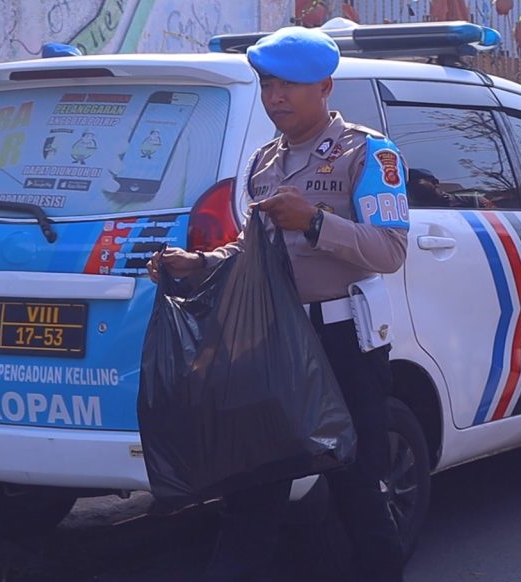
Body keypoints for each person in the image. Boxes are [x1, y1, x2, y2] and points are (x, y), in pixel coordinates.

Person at [147, 26, 408, 582]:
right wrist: (203, 263)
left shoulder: (368, 152)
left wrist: (316, 223)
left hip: (344, 344)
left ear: (325, 87)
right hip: (276, 346)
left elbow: (390, 249)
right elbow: (257, 251)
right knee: (252, 492)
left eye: (290, 85)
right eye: (268, 85)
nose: (275, 98)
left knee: (359, 491)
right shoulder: (265, 161)